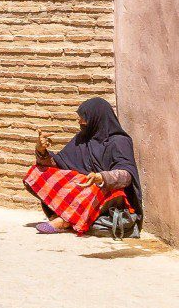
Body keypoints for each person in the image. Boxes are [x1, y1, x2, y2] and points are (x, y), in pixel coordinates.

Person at [28, 97, 139, 235]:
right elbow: (60, 163)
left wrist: (101, 177)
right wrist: (41, 151)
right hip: (83, 187)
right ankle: (67, 216)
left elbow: (127, 175)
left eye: (83, 118)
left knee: (93, 188)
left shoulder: (119, 141)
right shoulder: (82, 139)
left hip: (108, 191)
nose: (80, 122)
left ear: (96, 118)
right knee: (37, 173)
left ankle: (64, 221)